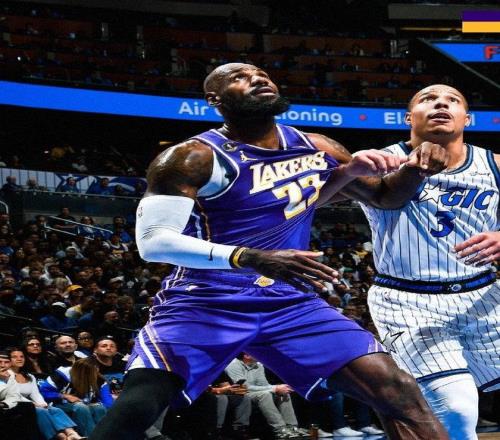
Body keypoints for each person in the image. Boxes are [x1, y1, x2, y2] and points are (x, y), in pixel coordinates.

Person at [90, 63, 449, 440]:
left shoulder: (318, 147)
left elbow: (386, 196)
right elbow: (153, 242)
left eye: (261, 74)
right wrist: (251, 257)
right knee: (141, 404)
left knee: (397, 389)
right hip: (208, 297)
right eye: (239, 78)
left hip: (288, 300)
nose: (258, 79)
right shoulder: (191, 157)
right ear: (215, 99)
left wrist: (415, 166)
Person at [356, 84, 500, 440]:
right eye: (428, 99)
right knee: (457, 408)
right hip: (408, 301)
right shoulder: (377, 162)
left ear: (467, 119)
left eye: (452, 100)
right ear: (409, 118)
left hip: (484, 296)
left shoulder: (494, 164)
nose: (440, 103)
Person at [226, 353, 308, 438]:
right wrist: (274, 388)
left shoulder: (258, 365)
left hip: (256, 392)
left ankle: (292, 427)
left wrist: (278, 388)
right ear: (246, 356)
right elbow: (244, 387)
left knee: (283, 392)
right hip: (241, 394)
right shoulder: (233, 365)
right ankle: (280, 428)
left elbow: (264, 385)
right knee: (265, 394)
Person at [9, 348, 84, 440]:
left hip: (31, 404)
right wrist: (34, 404)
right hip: (16, 404)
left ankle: (72, 433)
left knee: (55, 410)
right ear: (9, 360)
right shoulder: (6, 375)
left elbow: (35, 393)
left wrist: (43, 404)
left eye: (21, 357)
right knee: (42, 411)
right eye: (14, 357)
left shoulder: (29, 376)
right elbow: (14, 394)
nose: (19, 359)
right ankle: (61, 437)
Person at [40, 357, 112, 437]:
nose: (94, 374)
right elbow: (43, 392)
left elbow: (108, 403)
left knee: (99, 408)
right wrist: (64, 396)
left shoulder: (100, 380)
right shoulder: (62, 374)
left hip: (85, 405)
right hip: (58, 406)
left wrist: (96, 403)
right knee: (81, 407)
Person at [0, 351, 39, 440]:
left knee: (28, 406)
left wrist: (4, 404)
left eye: (6, 362)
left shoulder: (9, 376)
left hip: (2, 407)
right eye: (0, 362)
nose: (3, 365)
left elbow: (14, 396)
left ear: (10, 364)